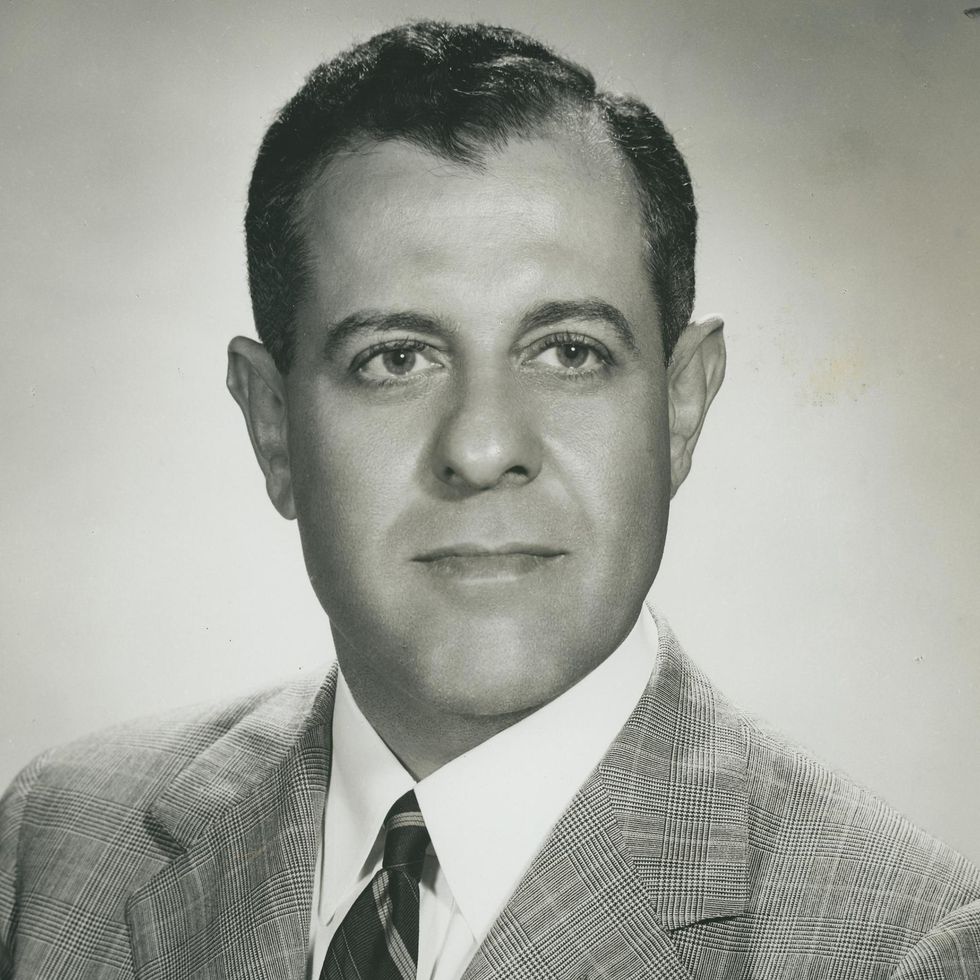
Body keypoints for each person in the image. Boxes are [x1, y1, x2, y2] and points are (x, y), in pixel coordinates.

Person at [1, 19, 978, 980]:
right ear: (272, 423)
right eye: (394, 358)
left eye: (567, 352)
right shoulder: (57, 842)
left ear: (679, 407)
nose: (479, 447)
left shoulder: (899, 944)